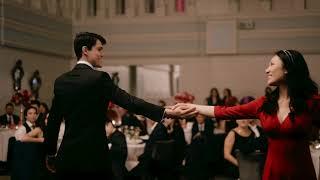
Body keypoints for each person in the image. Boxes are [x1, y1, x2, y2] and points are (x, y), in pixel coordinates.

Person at [44, 32, 196, 179]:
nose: (102, 54)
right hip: (95, 158)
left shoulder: (61, 81)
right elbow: (130, 102)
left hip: (67, 158)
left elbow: (53, 121)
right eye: (99, 49)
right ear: (85, 50)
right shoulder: (99, 78)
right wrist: (165, 112)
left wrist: (50, 154)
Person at [174, 50, 320, 180]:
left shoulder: (312, 102)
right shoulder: (264, 104)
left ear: (287, 68)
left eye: (272, 64)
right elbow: (224, 111)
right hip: (272, 171)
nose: (266, 70)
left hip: (301, 171)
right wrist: (191, 107)